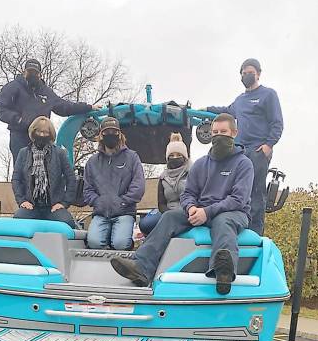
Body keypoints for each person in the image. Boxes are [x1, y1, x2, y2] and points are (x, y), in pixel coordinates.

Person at [111, 113, 254, 295]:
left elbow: (238, 199)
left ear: (234, 133)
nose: (219, 136)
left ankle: (223, 273)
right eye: (215, 132)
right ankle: (141, 268)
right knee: (170, 216)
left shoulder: (244, 164)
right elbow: (188, 194)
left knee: (223, 222)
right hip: (201, 210)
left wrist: (206, 212)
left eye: (223, 132)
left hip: (233, 212)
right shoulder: (201, 165)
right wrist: (191, 207)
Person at [201, 58, 283, 235]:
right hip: (238, 150)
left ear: (258, 74)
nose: (247, 75)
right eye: (244, 73)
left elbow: (277, 123)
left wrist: (269, 145)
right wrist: (205, 108)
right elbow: (225, 110)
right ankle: (234, 225)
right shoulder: (240, 100)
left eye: (250, 72)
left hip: (257, 149)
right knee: (234, 189)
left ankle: (254, 232)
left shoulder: (268, 95)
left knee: (255, 190)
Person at [0, 58, 101, 164]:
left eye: (35, 73)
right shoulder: (13, 87)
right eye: (30, 72)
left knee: (46, 170)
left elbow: (64, 107)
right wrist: (18, 119)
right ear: (24, 72)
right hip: (20, 136)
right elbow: (1, 109)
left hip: (43, 137)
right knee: (22, 171)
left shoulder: (46, 92)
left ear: (40, 74)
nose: (32, 75)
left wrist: (88, 107)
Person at [83, 117, 145, 250]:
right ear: (101, 135)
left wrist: (123, 202)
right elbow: (87, 189)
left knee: (120, 244)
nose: (110, 134)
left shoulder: (132, 157)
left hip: (124, 212)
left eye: (114, 131)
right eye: (106, 132)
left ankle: (127, 242)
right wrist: (97, 202)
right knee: (93, 243)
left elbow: (138, 186)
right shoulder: (92, 162)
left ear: (120, 134)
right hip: (100, 213)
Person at [12, 116, 76, 228]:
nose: (42, 135)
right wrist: (21, 200)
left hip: (53, 206)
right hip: (31, 206)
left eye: (45, 132)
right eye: (39, 131)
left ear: (50, 134)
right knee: (17, 222)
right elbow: (16, 179)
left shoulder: (60, 153)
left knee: (68, 223)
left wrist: (64, 203)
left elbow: (71, 178)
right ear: (33, 132)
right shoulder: (23, 153)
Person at [139, 133, 190, 235]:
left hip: (186, 212)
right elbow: (161, 203)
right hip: (167, 212)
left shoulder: (192, 173)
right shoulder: (163, 177)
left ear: (184, 157)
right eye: (172, 155)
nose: (175, 158)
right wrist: (168, 214)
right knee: (145, 224)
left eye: (179, 155)